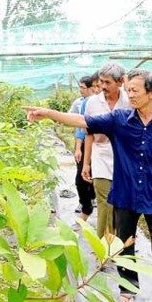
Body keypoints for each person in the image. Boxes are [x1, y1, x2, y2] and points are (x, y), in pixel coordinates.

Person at [23, 69, 152, 302]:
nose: (129, 94)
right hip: (125, 193)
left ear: (151, 93)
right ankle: (128, 288)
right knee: (124, 245)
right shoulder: (119, 120)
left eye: (134, 90)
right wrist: (48, 114)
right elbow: (81, 121)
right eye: (128, 90)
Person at [82, 63, 129, 238]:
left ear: (120, 82)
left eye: (107, 82)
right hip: (101, 157)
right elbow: (89, 135)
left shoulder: (130, 101)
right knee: (105, 202)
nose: (102, 87)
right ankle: (103, 245)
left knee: (121, 204)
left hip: (124, 159)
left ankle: (120, 242)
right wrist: (86, 164)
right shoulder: (93, 103)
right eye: (101, 82)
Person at [68, 76, 96, 220]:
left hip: (103, 147)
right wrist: (78, 148)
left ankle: (93, 198)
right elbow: (82, 128)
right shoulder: (84, 103)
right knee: (81, 177)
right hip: (87, 143)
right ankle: (86, 206)